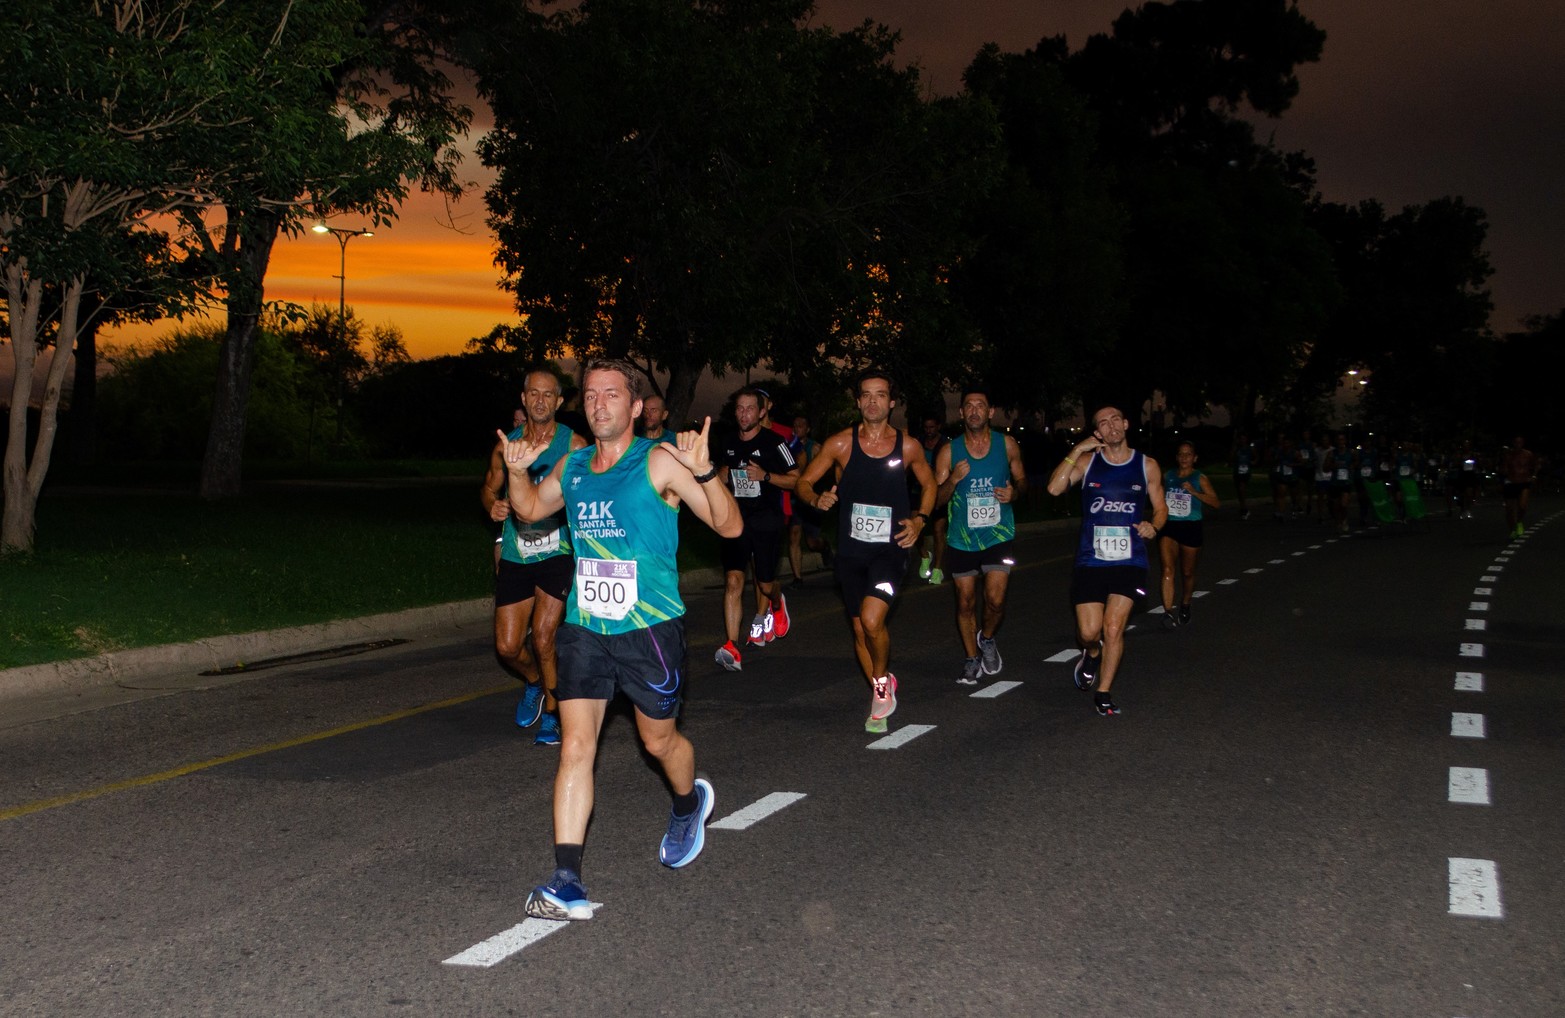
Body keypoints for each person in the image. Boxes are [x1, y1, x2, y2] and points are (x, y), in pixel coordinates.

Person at [497, 358, 742, 921]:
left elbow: (730, 528)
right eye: (590, 394)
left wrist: (704, 473)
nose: (599, 403)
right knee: (576, 747)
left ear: (635, 407)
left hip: (650, 629)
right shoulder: (575, 465)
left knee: (659, 743)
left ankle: (688, 803)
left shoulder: (659, 463)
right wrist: (516, 472)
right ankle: (566, 881)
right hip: (586, 628)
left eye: (611, 394)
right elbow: (532, 510)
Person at [795, 370, 936, 733]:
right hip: (852, 553)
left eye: (881, 394)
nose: (873, 400)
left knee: (873, 620)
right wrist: (815, 497)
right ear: (858, 402)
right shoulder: (840, 444)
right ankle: (883, 679)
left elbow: (930, 483)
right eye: (866, 395)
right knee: (859, 630)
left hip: (891, 549)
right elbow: (804, 481)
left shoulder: (909, 446)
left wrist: (920, 519)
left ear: (891, 403)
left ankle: (879, 692)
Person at [481, 369, 588, 745]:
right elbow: (488, 489)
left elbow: (590, 494)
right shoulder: (505, 446)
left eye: (548, 395)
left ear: (559, 402)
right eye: (533, 394)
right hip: (517, 552)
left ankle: (555, 716)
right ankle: (533, 683)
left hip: (558, 550)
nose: (540, 400)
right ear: (523, 399)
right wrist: (493, 506)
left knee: (544, 638)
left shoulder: (574, 445)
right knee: (508, 647)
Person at [1045, 404, 1165, 717]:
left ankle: (1104, 691)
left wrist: (1155, 525)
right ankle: (1092, 653)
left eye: (1115, 420)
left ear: (1126, 423)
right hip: (1091, 560)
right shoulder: (1088, 463)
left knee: (1113, 628)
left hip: (1130, 560)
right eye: (1103, 423)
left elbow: (1161, 507)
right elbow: (1054, 488)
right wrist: (1077, 449)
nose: (1110, 426)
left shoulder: (1146, 465)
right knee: (1089, 632)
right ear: (1097, 431)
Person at [933, 388, 1027, 684]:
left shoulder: (1007, 445)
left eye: (980, 406)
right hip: (961, 539)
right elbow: (936, 499)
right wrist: (953, 479)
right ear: (961, 413)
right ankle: (971, 658)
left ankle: (986, 638)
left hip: (998, 535)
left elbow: (1022, 480)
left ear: (990, 412)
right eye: (968, 406)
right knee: (965, 602)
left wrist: (1015, 492)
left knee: (996, 601)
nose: (974, 410)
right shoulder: (949, 451)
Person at [712, 387, 800, 670]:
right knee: (734, 582)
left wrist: (766, 476)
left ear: (762, 412)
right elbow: (721, 474)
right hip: (735, 521)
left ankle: (777, 601)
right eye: (739, 408)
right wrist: (721, 476)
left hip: (766, 520)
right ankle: (731, 646)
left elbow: (797, 479)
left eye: (750, 408)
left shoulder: (775, 442)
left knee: (763, 583)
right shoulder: (726, 441)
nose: (744, 414)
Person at [1158, 440, 1218, 627]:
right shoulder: (1168, 476)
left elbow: (1216, 503)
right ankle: (1167, 612)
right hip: (1170, 526)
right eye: (1181, 454)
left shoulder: (1199, 478)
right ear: (1177, 457)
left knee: (1187, 571)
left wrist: (1194, 492)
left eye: (1188, 454)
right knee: (1168, 569)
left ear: (1195, 458)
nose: (1184, 457)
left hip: (1191, 527)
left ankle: (1185, 603)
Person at [786, 413, 832, 588]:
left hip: (812, 499)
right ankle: (797, 578)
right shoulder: (787, 447)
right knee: (794, 534)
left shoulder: (816, 448)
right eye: (795, 425)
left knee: (812, 542)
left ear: (808, 429)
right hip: (794, 499)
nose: (797, 428)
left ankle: (824, 546)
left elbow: (827, 471)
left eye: (801, 425)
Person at [913, 412, 950, 584]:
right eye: (926, 427)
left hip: (939, 493)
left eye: (932, 427)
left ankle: (937, 569)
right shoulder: (917, 443)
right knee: (914, 528)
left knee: (938, 531)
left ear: (938, 427)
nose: (929, 430)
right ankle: (925, 555)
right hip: (917, 491)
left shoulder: (945, 444)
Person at [1499, 435, 1538, 537]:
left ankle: (1519, 522)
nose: (1518, 445)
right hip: (1511, 482)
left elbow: (1535, 465)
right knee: (1509, 509)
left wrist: (1533, 476)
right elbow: (1503, 469)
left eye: (1520, 442)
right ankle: (1512, 529)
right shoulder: (1508, 455)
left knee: (1522, 506)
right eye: (1516, 442)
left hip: (1524, 482)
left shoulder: (1528, 454)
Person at [1231, 431, 1257, 520]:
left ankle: (1244, 508)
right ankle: (1242, 507)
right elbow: (1231, 458)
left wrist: (1253, 462)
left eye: (1244, 439)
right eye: (1241, 439)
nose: (1242, 440)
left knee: (1242, 488)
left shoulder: (1250, 448)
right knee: (1239, 490)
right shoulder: (1236, 449)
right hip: (1237, 471)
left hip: (1246, 471)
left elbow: (1256, 457)